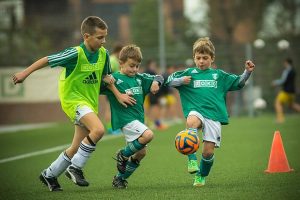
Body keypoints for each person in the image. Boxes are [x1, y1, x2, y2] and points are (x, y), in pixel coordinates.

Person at [12, 16, 135, 191]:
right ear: (86, 36)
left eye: (105, 37)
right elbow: (47, 59)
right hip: (74, 101)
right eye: (100, 37)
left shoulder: (104, 54)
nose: (104, 41)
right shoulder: (75, 53)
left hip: (90, 104)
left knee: (77, 147)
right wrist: (25, 73)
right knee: (99, 130)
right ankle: (75, 168)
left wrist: (118, 95)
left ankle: (49, 174)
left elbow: (107, 79)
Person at [165, 37, 255, 187]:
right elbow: (169, 81)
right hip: (196, 111)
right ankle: (192, 160)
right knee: (191, 122)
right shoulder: (188, 73)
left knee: (208, 152)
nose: (201, 61)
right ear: (194, 58)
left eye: (205, 58)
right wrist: (181, 81)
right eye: (198, 58)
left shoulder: (218, 75)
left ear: (212, 59)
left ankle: (201, 175)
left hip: (213, 116)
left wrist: (247, 72)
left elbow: (238, 83)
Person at [102, 45, 164, 189]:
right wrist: (105, 80)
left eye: (137, 66)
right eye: (131, 66)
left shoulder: (139, 78)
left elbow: (159, 76)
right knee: (148, 134)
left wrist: (156, 82)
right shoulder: (115, 79)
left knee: (141, 153)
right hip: (125, 119)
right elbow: (98, 83)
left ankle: (119, 179)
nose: (135, 69)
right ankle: (122, 155)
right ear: (121, 63)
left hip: (138, 119)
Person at [272, 58, 300, 123]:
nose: (284, 64)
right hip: (292, 92)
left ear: (287, 63)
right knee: (292, 105)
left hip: (286, 91)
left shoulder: (287, 71)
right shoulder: (293, 71)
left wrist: (275, 82)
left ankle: (280, 119)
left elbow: (283, 80)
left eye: (284, 63)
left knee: (277, 103)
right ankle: (280, 119)